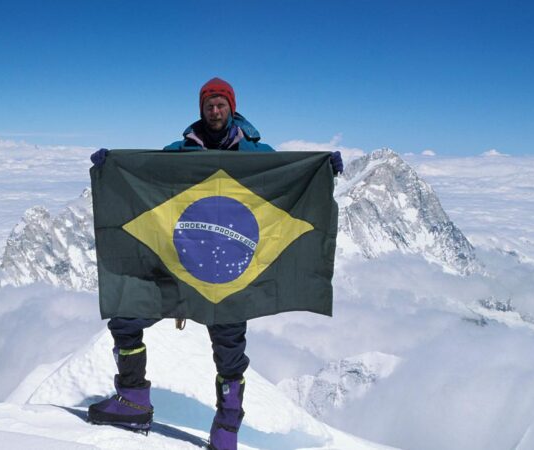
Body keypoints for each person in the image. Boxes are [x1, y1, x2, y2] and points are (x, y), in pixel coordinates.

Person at [88, 77, 343, 450]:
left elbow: (289, 179)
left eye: (221, 103)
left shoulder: (258, 154)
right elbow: (149, 181)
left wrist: (323, 169)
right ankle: (132, 399)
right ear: (201, 109)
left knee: (229, 351)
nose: (215, 109)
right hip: (179, 266)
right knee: (126, 317)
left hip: (230, 273)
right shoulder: (179, 151)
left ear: (231, 107)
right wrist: (111, 167)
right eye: (209, 104)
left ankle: (226, 427)